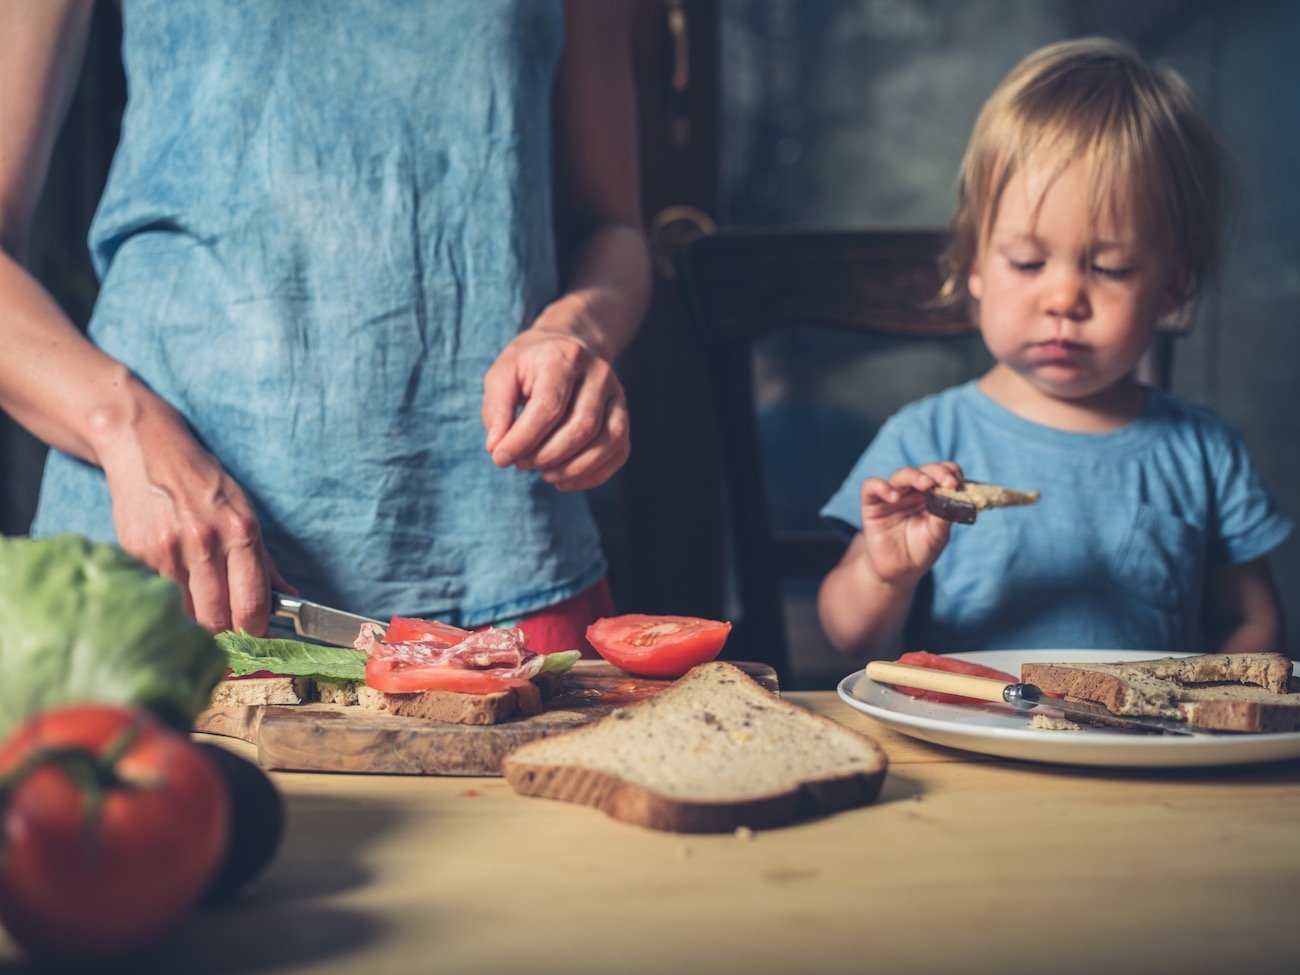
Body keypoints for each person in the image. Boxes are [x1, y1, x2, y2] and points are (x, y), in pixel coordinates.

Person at [0, 1, 650, 650]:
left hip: (503, 567)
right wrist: (125, 429)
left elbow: (615, 228)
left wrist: (579, 330)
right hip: (170, 571)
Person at [817, 37, 1293, 659]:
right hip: (970, 750)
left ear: (1173, 285)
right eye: (1027, 261)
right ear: (976, 266)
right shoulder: (924, 439)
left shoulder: (1204, 452)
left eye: (1112, 268)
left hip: (1142, 754)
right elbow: (849, 635)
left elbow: (1253, 627)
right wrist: (888, 575)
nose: (1064, 299)